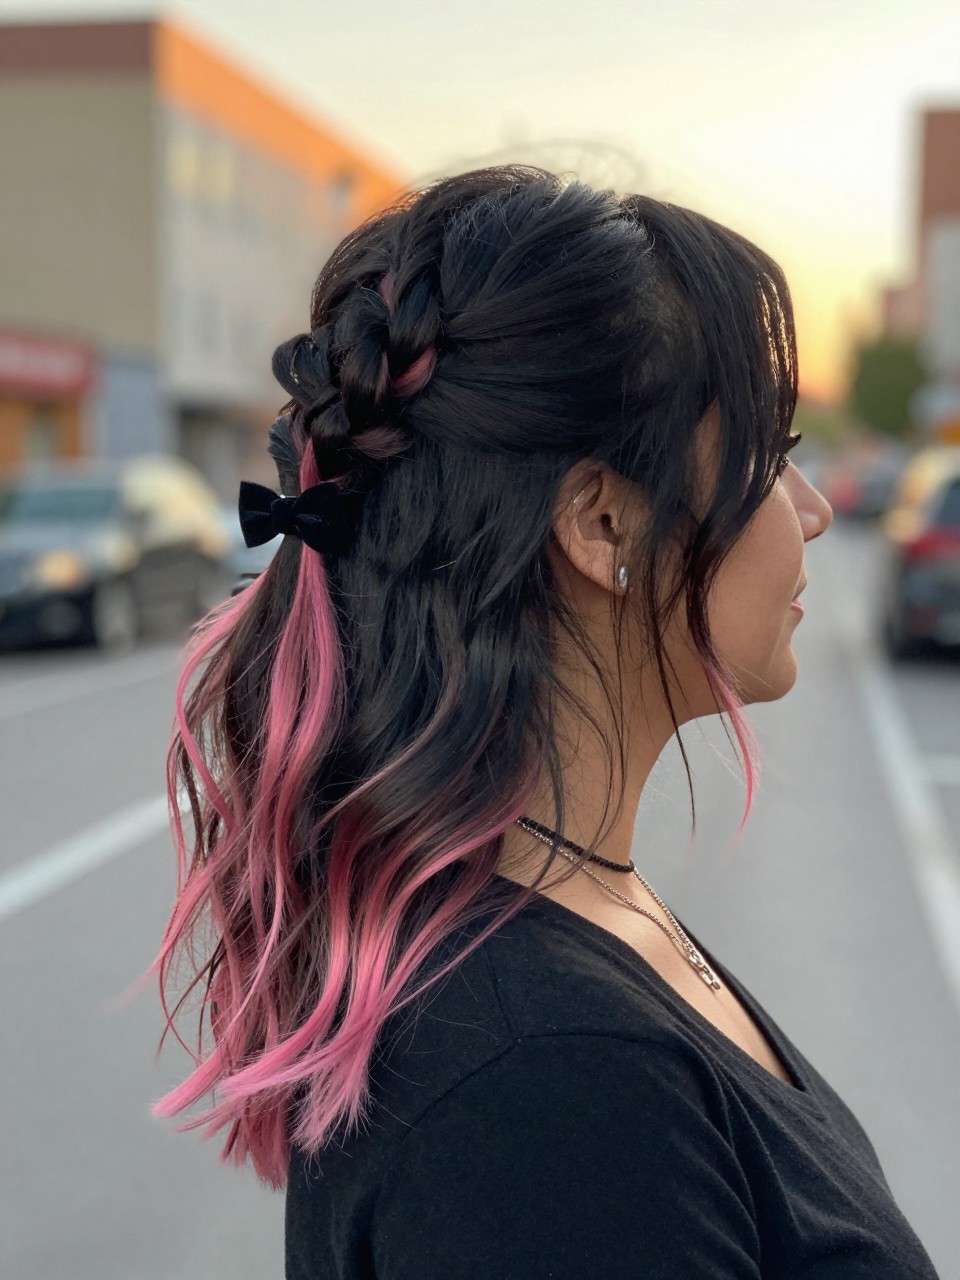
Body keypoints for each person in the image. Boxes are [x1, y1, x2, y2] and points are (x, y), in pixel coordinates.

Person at [148, 165, 941, 1278]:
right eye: (774, 458)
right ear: (601, 515)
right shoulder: (553, 1082)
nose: (810, 512)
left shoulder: (574, 933)